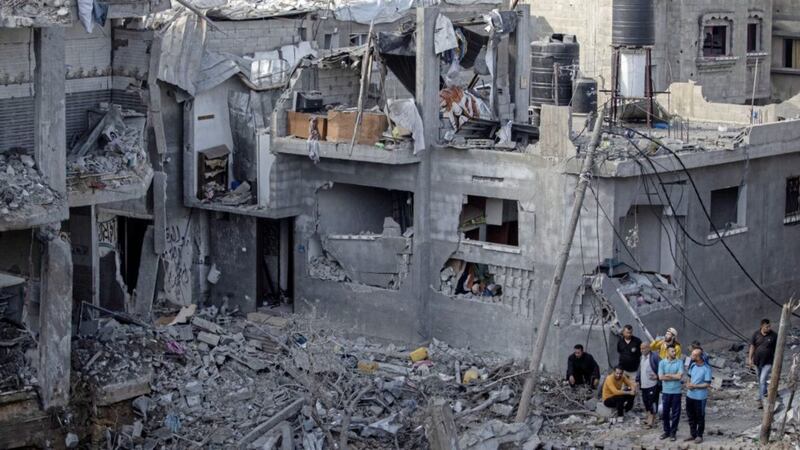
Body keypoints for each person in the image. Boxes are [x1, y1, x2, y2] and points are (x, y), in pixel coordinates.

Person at [685, 348, 713, 444]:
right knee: (690, 415)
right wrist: (688, 384)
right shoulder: (692, 365)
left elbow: (707, 384)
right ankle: (692, 434)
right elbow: (688, 377)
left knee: (700, 416)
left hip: (700, 397)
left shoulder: (706, 368)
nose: (691, 356)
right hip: (690, 395)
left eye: (693, 355)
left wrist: (695, 386)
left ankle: (699, 435)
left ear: (699, 357)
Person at [749, 318, 778, 409]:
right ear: (762, 326)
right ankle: (764, 394)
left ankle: (761, 401)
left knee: (762, 380)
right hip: (757, 362)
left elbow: (778, 348)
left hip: (768, 362)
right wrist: (750, 359)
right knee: (760, 380)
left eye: (769, 326)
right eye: (767, 327)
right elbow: (752, 346)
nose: (769, 328)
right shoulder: (756, 334)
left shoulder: (774, 335)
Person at [658, 344, 683, 441]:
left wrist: (668, 375)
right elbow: (660, 377)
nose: (674, 352)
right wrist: (674, 376)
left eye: (675, 351)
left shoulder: (679, 362)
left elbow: (679, 377)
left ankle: (673, 433)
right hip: (666, 392)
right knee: (665, 412)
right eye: (672, 351)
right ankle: (666, 431)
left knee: (676, 413)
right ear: (667, 352)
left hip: (676, 391)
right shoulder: (662, 363)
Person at [637, 341, 661, 428]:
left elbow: (661, 368)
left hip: (653, 384)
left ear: (649, 348)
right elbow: (640, 370)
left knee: (652, 402)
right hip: (644, 385)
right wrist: (637, 380)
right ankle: (648, 418)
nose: (642, 350)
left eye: (644, 348)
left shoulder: (654, 357)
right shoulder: (642, 358)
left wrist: (658, 376)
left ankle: (652, 421)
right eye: (641, 348)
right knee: (646, 402)